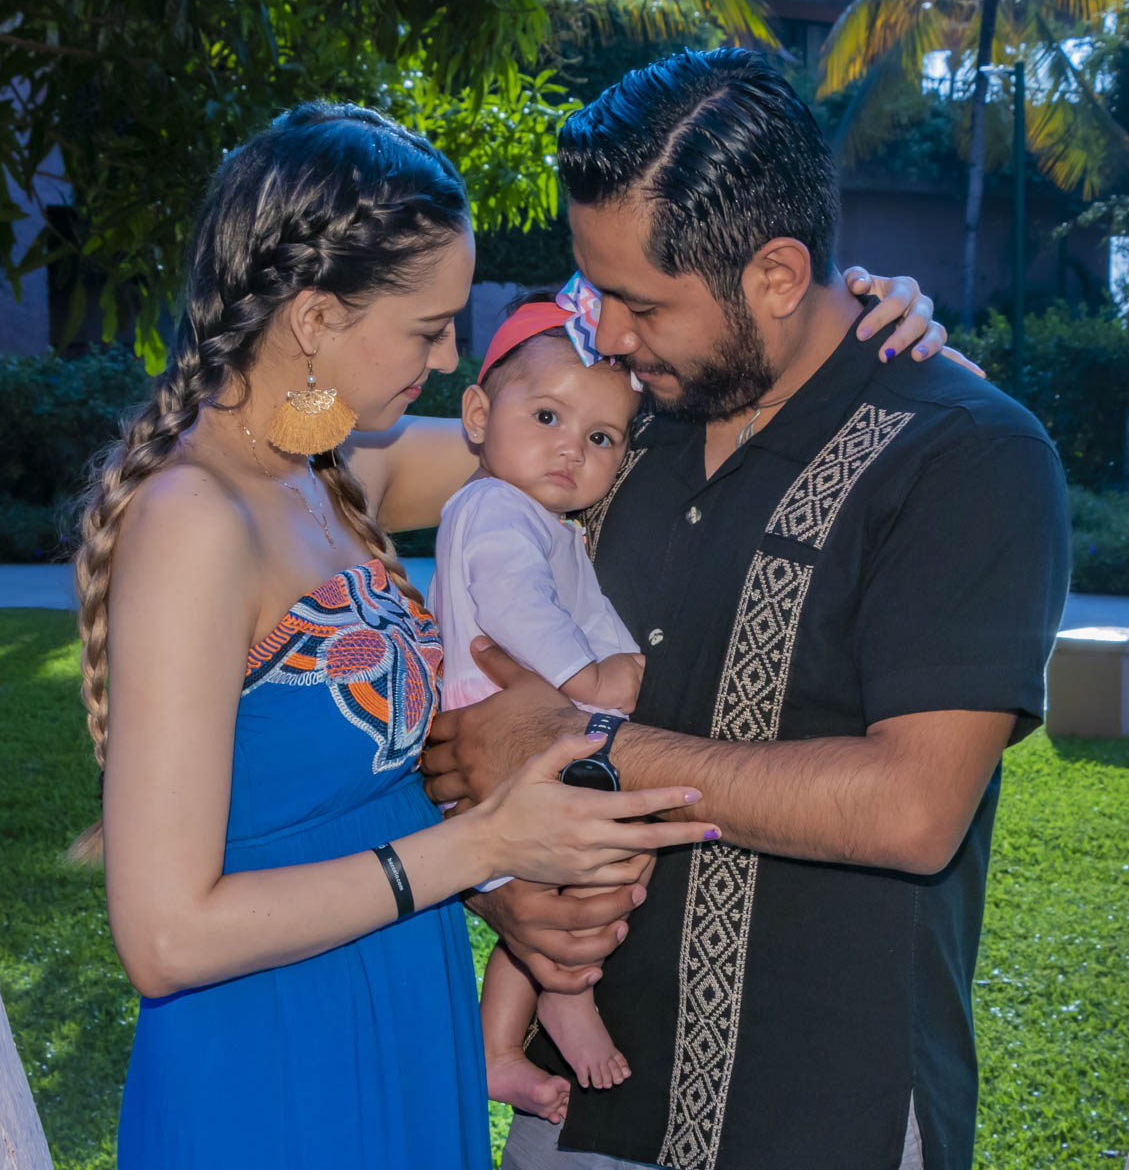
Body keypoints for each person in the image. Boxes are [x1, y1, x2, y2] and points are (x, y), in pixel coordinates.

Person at [422, 49, 1072, 1170]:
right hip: (582, 1110)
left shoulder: (963, 456)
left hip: (819, 1116)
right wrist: (504, 894)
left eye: (640, 302)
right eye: (595, 290)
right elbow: (472, 729)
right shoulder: (613, 436)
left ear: (776, 275)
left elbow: (914, 808)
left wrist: (587, 745)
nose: (606, 335)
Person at [73, 102, 722, 1170]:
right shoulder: (197, 521)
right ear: (315, 318)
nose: (452, 355)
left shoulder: (338, 468)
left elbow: (576, 436)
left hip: (400, 1012)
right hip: (277, 1065)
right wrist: (485, 846)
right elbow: (165, 937)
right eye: (427, 329)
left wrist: (863, 344)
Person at [429, 289, 651, 1125]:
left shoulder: (545, 521)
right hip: (496, 739)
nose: (571, 450)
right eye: (548, 417)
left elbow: (585, 610)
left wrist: (621, 662)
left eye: (601, 438)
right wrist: (589, 680)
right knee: (571, 883)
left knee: (556, 888)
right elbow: (517, 605)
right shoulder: (494, 510)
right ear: (479, 415)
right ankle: (564, 997)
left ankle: (500, 1045)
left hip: (513, 738)